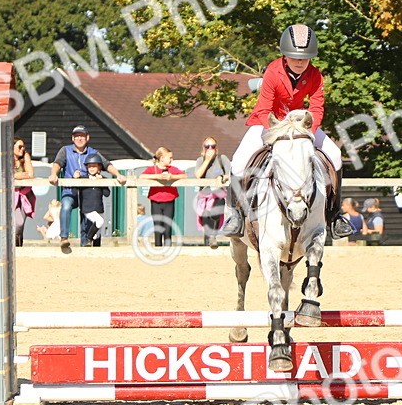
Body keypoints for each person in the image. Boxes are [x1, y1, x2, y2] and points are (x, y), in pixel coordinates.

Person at [219, 24, 354, 239]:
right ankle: (235, 214)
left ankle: (335, 215)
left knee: (336, 155)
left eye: (305, 58)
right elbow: (264, 108)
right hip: (269, 122)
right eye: (294, 57)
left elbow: (317, 107)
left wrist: (309, 129)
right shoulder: (273, 71)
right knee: (239, 160)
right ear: (284, 55)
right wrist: (277, 129)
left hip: (300, 124)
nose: (300, 62)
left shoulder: (316, 75)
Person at [48, 125, 124, 251]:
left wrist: (118, 175)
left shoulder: (93, 152)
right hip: (70, 189)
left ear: (87, 138)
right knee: (66, 206)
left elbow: (106, 164)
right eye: (77, 136)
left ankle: (85, 246)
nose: (79, 139)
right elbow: (58, 163)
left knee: (87, 220)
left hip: (87, 193)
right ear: (72, 138)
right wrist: (53, 174)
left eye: (82, 136)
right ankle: (64, 238)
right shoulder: (65, 150)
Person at [141, 147, 186, 247]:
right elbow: (142, 176)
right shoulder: (152, 169)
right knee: (157, 225)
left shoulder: (171, 169)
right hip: (156, 200)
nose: (172, 160)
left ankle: (168, 247)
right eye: (170, 157)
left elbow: (184, 175)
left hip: (169, 200)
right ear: (162, 158)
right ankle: (158, 247)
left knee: (168, 225)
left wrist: (172, 177)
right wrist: (156, 176)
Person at [192, 136, 231, 247]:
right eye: (207, 146)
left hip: (219, 194)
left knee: (215, 212)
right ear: (203, 148)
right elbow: (198, 175)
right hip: (204, 195)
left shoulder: (222, 159)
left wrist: (223, 177)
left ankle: (213, 237)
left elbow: (230, 173)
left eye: (213, 146)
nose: (210, 149)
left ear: (216, 148)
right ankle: (209, 238)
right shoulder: (200, 160)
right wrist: (207, 160)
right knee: (205, 216)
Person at [78, 154, 109, 247]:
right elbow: (75, 189)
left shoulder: (102, 178)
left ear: (99, 167)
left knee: (98, 233)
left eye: (94, 166)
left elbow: (107, 193)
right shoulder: (83, 178)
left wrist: (101, 182)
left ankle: (96, 248)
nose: (91, 168)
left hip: (99, 208)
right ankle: (88, 239)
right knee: (99, 221)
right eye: (89, 166)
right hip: (87, 208)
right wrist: (75, 178)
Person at [12, 137, 36, 247]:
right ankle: (13, 246)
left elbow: (30, 174)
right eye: (19, 147)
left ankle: (18, 246)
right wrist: (17, 175)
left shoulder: (25, 156)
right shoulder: (6, 158)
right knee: (17, 223)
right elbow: (6, 175)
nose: (22, 149)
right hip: (11, 195)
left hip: (24, 194)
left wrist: (15, 176)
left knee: (21, 224)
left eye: (23, 147)